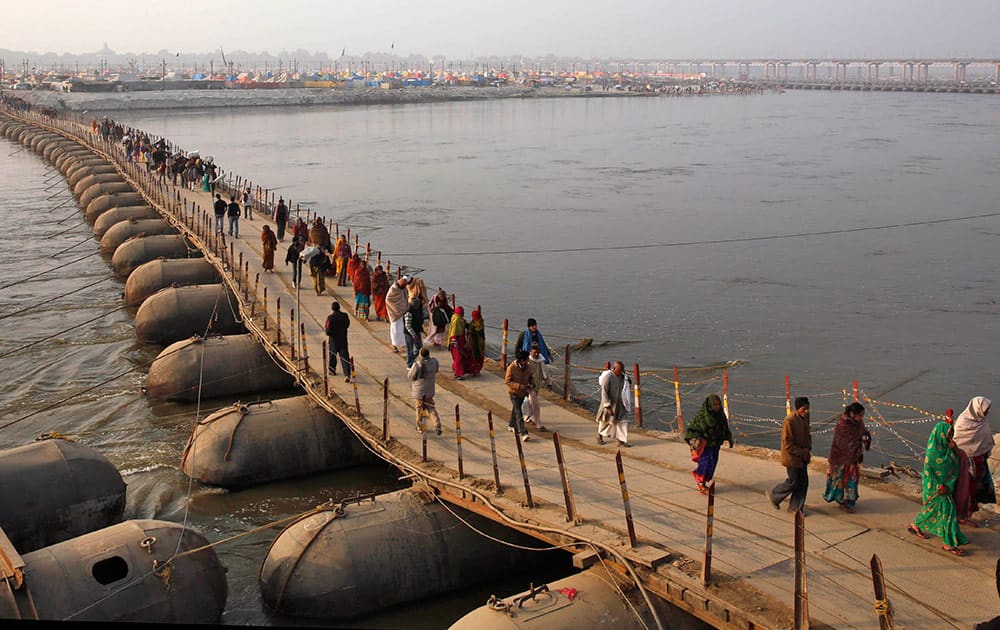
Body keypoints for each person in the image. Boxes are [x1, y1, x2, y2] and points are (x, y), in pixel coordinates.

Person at [909, 421, 970, 556]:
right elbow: (929, 474)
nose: (950, 438)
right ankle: (949, 544)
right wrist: (940, 487)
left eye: (951, 435)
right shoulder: (933, 453)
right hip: (937, 488)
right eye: (948, 435)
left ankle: (915, 525)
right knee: (949, 514)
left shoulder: (949, 449)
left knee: (931, 511)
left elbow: (960, 459)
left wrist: (954, 448)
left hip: (947, 487)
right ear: (940, 435)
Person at [952, 396, 995, 526]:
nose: (987, 412)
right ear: (977, 408)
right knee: (964, 489)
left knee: (974, 490)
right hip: (966, 464)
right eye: (986, 409)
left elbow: (986, 440)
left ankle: (967, 515)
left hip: (979, 462)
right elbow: (959, 442)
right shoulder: (963, 422)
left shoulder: (981, 421)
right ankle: (961, 516)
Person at [822, 402, 871, 512]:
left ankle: (849, 501)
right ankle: (842, 502)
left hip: (853, 459)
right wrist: (856, 447)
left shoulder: (858, 423)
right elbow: (842, 443)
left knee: (851, 482)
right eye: (860, 415)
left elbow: (864, 433)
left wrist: (865, 439)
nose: (862, 418)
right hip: (841, 460)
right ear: (853, 414)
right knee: (842, 482)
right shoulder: (843, 424)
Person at [766, 397, 812, 513]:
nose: (807, 411)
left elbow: (808, 435)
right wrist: (802, 452)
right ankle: (774, 494)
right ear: (798, 409)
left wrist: (808, 449)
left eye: (808, 409)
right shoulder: (790, 421)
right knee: (793, 482)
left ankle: (795, 508)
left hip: (803, 457)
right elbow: (788, 444)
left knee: (803, 483)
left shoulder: (805, 418)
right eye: (804, 409)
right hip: (792, 457)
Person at [684, 394, 734, 494]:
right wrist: (696, 440)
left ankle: (704, 482)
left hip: (716, 443)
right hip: (706, 445)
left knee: (712, 463)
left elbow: (724, 427)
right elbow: (693, 429)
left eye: (718, 404)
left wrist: (729, 438)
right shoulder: (702, 415)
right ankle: (701, 483)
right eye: (714, 405)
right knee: (705, 463)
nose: (717, 407)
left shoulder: (720, 415)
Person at [596, 361, 631, 447]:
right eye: (620, 370)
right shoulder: (608, 377)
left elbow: (627, 383)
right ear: (614, 368)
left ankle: (621, 440)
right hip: (610, 404)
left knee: (622, 421)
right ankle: (599, 435)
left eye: (622, 370)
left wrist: (628, 380)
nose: (622, 371)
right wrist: (608, 406)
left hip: (620, 404)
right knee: (605, 422)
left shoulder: (622, 376)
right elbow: (604, 393)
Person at [408, 347, 442, 435]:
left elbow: (410, 376)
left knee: (419, 410)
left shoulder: (417, 365)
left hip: (419, 392)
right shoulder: (434, 362)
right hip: (430, 390)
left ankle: (420, 427)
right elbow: (437, 370)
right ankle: (437, 424)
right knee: (431, 408)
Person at [504, 349, 534, 442]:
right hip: (514, 393)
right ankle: (523, 432)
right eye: (526, 360)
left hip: (523, 393)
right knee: (519, 413)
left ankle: (511, 425)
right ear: (521, 360)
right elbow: (507, 382)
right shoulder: (512, 368)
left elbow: (531, 377)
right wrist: (519, 386)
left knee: (515, 410)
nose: (528, 361)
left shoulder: (527, 367)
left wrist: (532, 384)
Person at [525, 343, 551, 430]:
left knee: (529, 402)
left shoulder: (541, 361)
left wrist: (548, 382)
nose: (536, 354)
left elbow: (545, 372)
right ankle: (538, 423)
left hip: (537, 385)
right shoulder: (527, 361)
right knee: (535, 403)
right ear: (531, 351)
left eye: (537, 352)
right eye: (534, 352)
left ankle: (527, 416)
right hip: (529, 385)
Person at [324, 302, 351, 382]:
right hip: (343, 339)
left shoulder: (330, 318)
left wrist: (331, 333)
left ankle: (332, 370)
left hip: (333, 340)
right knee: (345, 357)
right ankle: (347, 374)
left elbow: (328, 331)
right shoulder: (345, 316)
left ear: (332, 309)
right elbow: (347, 324)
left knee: (332, 355)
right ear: (339, 308)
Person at [386, 275, 411, 353]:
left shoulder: (403, 289)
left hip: (402, 312)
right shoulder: (393, 289)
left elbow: (405, 297)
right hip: (395, 313)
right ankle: (395, 345)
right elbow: (388, 300)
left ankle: (402, 343)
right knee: (395, 329)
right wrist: (398, 309)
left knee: (402, 329)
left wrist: (405, 307)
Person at [402, 296, 425, 368]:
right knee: (410, 349)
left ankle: (412, 358)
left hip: (416, 331)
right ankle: (409, 364)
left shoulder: (416, 311)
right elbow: (408, 326)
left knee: (419, 347)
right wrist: (414, 335)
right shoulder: (408, 313)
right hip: (409, 334)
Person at [447, 306, 469, 379]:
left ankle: (457, 369)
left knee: (459, 357)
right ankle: (458, 374)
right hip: (457, 342)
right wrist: (455, 343)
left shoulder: (459, 319)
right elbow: (454, 333)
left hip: (460, 341)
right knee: (458, 358)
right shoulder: (457, 320)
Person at [466, 308, 486, 376]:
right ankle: (477, 370)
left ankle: (474, 370)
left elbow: (470, 332)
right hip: (481, 344)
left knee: (473, 357)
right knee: (479, 357)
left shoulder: (473, 324)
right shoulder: (481, 322)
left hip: (474, 343)